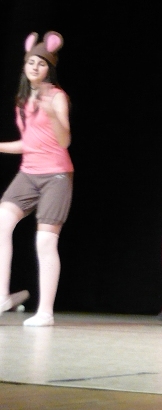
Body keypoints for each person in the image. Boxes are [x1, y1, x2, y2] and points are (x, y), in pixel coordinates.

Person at [0, 32, 71, 327]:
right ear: (24, 66)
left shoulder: (57, 96)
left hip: (56, 174)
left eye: (41, 63)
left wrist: (52, 114)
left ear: (48, 69)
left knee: (44, 241)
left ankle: (45, 312)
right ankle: (2, 296)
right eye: (31, 62)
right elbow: (29, 143)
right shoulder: (22, 100)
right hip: (28, 173)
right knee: (1, 223)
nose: (35, 67)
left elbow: (64, 141)